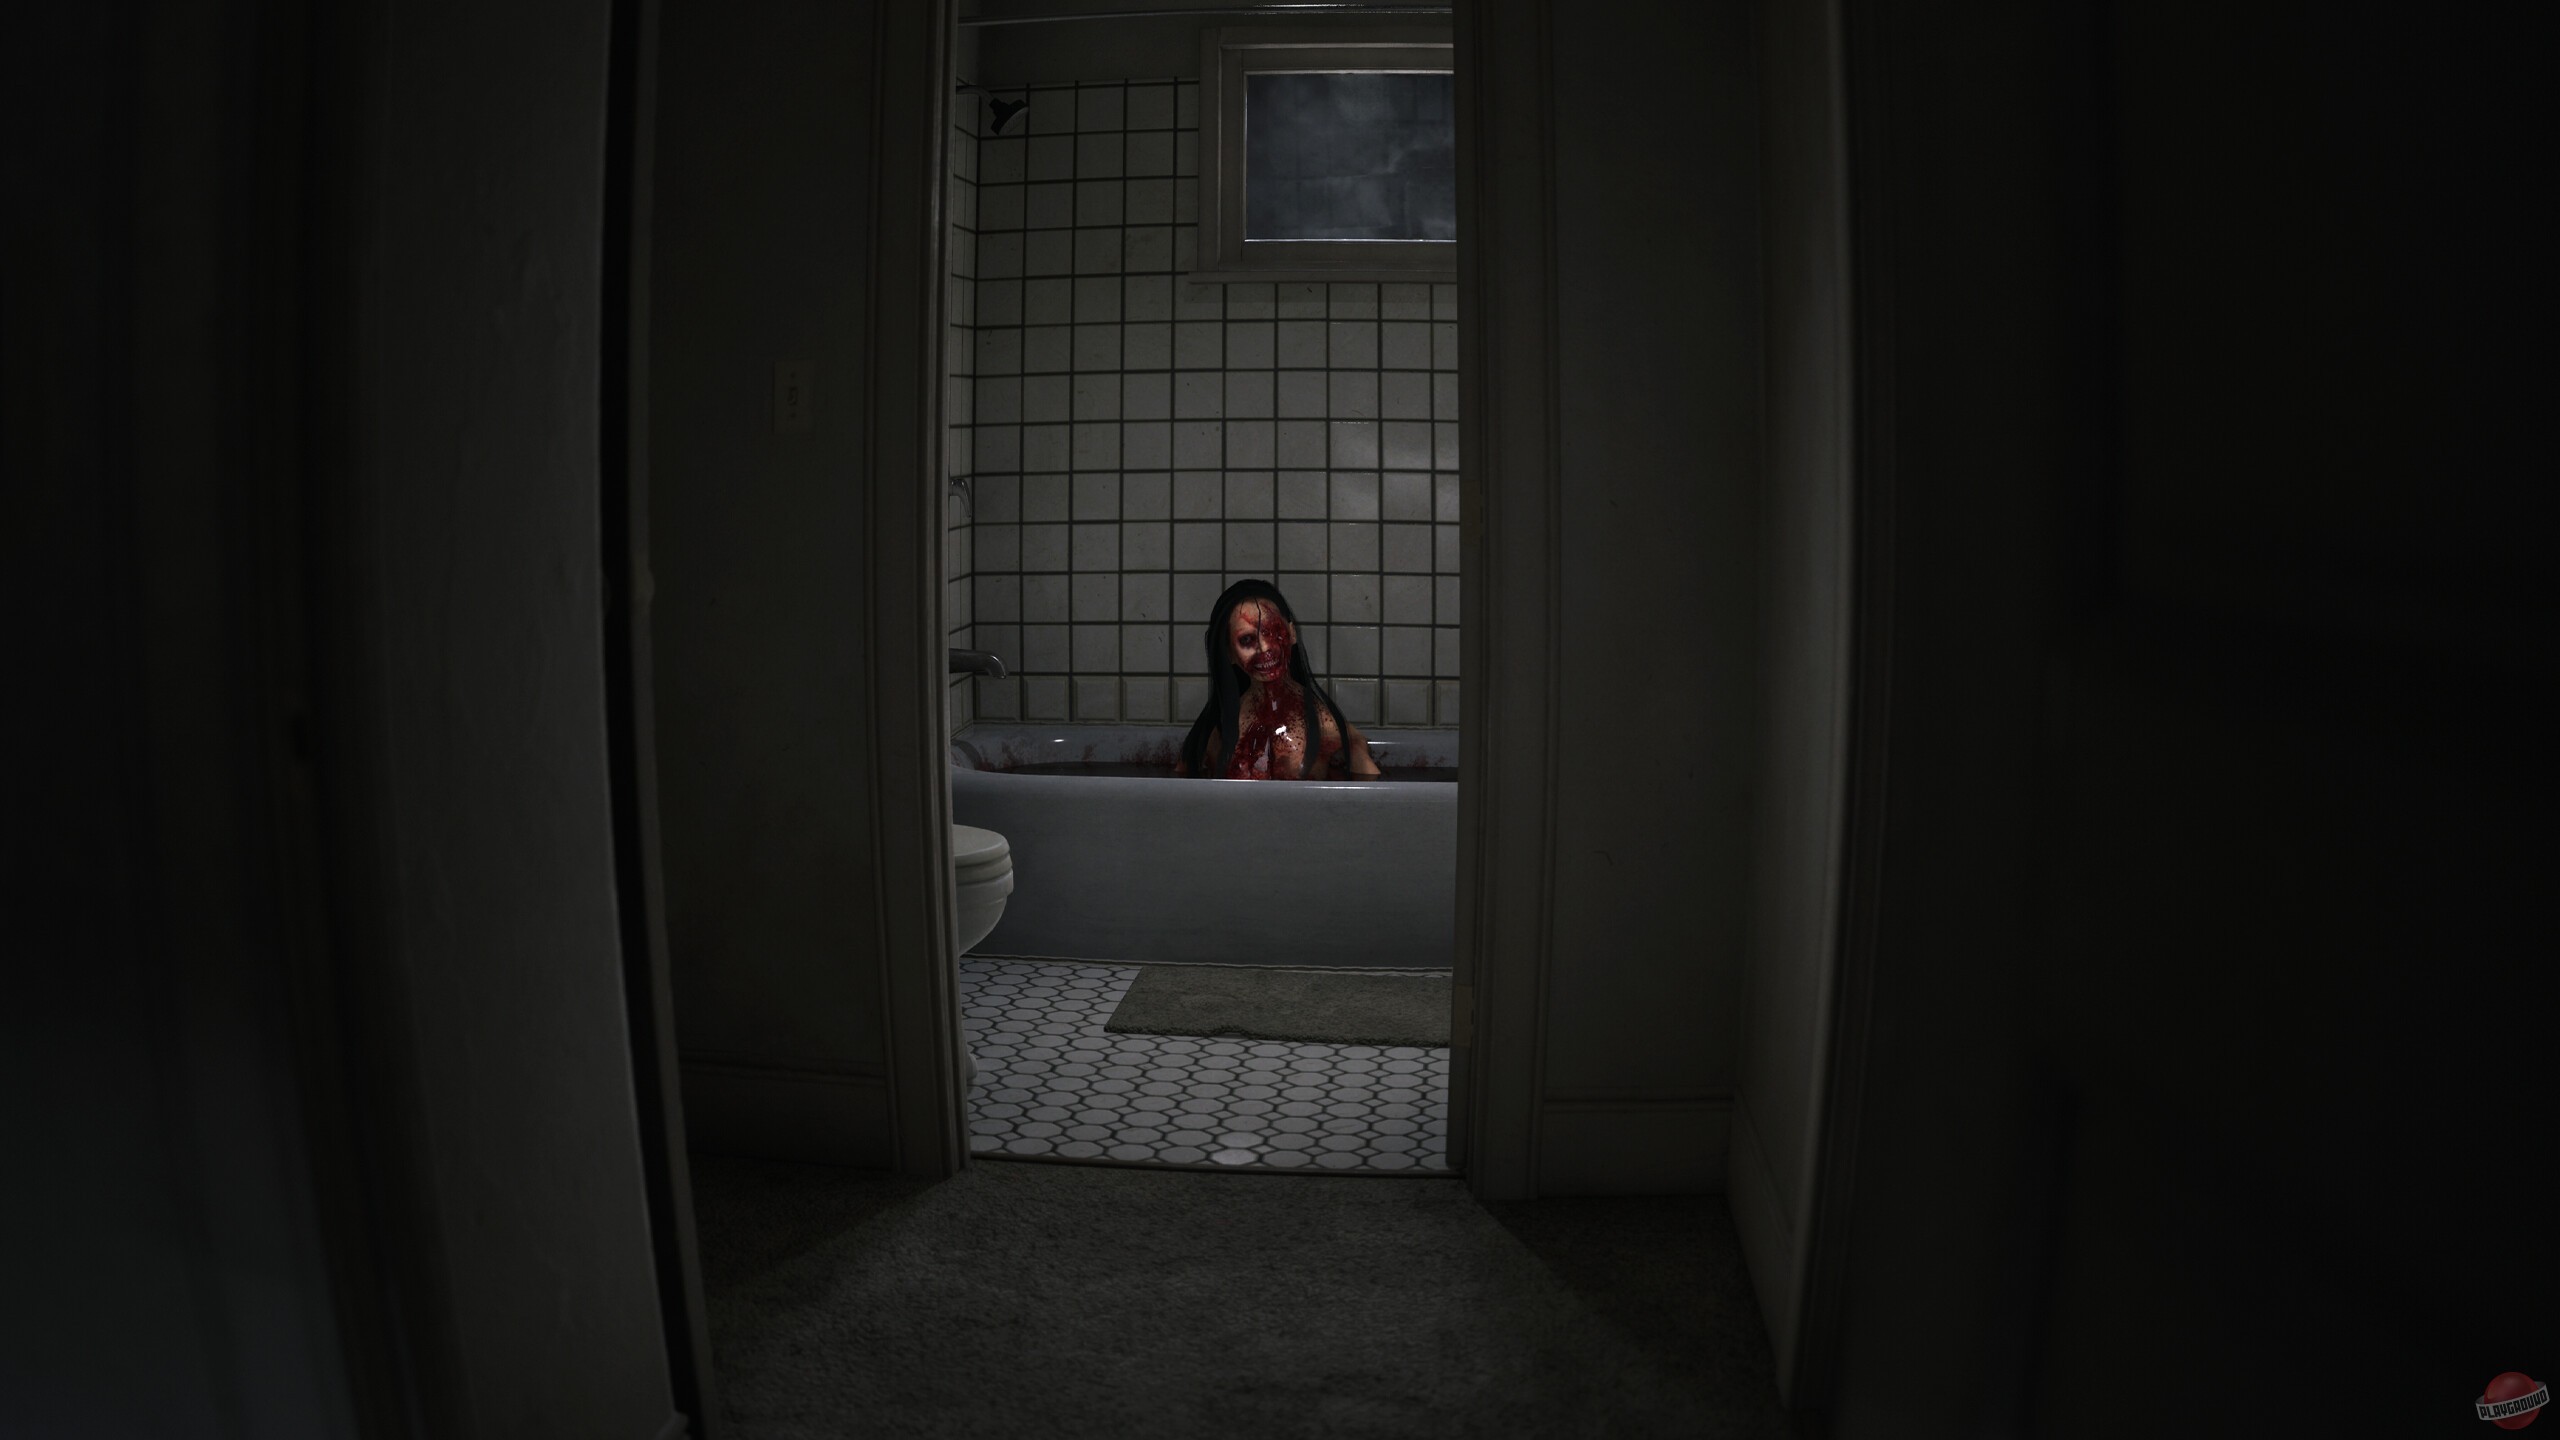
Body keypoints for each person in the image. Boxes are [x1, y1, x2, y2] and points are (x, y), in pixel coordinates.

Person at [1175, 579, 1382, 780]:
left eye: (1274, 632)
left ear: (1292, 633)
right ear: (1229, 653)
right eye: (1247, 640)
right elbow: (1179, 790)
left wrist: (1356, 750)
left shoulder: (1324, 724)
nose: (1265, 648)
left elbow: (1371, 791)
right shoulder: (1216, 733)